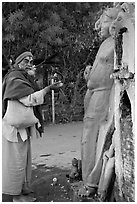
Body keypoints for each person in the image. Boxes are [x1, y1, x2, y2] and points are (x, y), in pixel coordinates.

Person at [2, 51, 62, 202]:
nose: (30, 63)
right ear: (18, 63)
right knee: (15, 162)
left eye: (31, 61)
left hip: (22, 129)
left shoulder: (22, 78)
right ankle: (14, 195)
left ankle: (22, 190)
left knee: (23, 160)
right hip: (14, 130)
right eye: (26, 61)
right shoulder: (15, 78)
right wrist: (48, 89)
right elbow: (29, 100)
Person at [78, 7, 121, 197]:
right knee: (87, 136)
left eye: (102, 21)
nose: (97, 26)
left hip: (102, 95)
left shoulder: (116, 43)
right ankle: (87, 178)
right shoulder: (105, 43)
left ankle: (90, 181)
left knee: (92, 136)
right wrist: (90, 74)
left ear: (112, 22)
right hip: (93, 92)